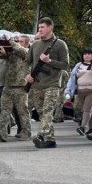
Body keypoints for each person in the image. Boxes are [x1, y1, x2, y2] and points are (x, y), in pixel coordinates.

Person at [25, 17, 70, 148]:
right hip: (37, 84)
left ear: (50, 28)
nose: (40, 30)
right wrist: (27, 76)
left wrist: (49, 61)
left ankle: (41, 134)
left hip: (52, 84)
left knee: (47, 111)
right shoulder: (35, 45)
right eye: (39, 28)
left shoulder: (60, 44)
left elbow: (65, 65)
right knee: (41, 112)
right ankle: (50, 139)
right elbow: (27, 63)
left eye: (42, 27)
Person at [0, 35, 32, 142]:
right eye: (17, 41)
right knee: (5, 110)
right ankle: (2, 131)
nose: (18, 43)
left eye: (21, 41)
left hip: (20, 86)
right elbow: (3, 57)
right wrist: (4, 52)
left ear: (26, 43)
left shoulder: (28, 51)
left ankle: (26, 132)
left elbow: (21, 51)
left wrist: (10, 41)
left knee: (22, 111)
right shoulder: (13, 52)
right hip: (8, 84)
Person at [65, 48, 92, 137]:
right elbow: (72, 79)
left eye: (89, 54)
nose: (87, 55)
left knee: (87, 109)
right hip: (80, 91)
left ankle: (82, 127)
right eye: (85, 54)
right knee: (87, 110)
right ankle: (91, 127)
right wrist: (68, 91)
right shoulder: (78, 65)